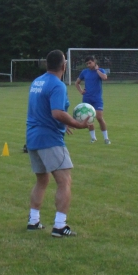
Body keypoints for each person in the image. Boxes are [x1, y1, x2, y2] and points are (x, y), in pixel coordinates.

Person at [26, 50, 89, 238]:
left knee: (42, 180)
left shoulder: (37, 82)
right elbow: (57, 112)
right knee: (64, 181)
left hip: (32, 138)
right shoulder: (58, 85)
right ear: (64, 66)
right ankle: (60, 226)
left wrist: (63, 124)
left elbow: (43, 109)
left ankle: (33, 220)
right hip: (49, 140)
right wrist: (77, 123)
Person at [74, 55, 110, 144]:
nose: (88, 65)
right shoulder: (84, 72)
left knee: (99, 117)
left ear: (94, 62)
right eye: (87, 64)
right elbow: (77, 83)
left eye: (90, 63)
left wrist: (97, 70)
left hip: (97, 99)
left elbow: (105, 78)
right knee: (89, 119)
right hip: (87, 99)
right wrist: (81, 91)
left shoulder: (100, 70)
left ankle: (106, 138)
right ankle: (93, 138)